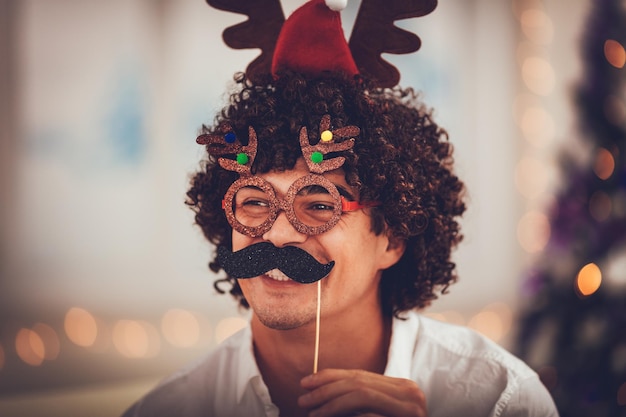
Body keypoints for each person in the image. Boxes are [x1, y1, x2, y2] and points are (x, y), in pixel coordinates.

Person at [122, 0, 559, 416]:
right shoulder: (168, 410)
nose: (277, 234)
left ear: (391, 237)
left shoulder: (501, 401)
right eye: (254, 201)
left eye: (317, 204)